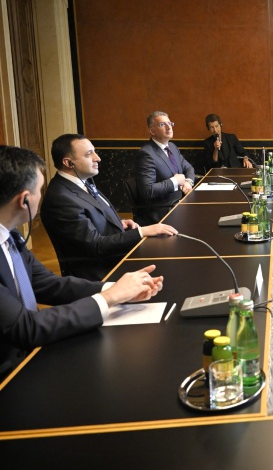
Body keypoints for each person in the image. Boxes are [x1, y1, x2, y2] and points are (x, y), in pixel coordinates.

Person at [0, 145, 163, 379]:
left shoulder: (11, 236)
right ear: (24, 200)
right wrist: (109, 298)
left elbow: (47, 284)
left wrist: (116, 289)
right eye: (40, 190)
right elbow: (26, 328)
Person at [40, 134, 178, 281]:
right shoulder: (61, 198)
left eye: (95, 151)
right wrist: (141, 231)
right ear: (69, 163)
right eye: (89, 154)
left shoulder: (82, 181)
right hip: (99, 274)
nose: (97, 158)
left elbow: (92, 214)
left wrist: (119, 222)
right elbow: (94, 246)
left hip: (115, 257)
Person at [134, 111, 196, 225]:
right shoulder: (146, 154)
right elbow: (147, 191)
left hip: (180, 202)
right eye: (162, 125)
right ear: (151, 131)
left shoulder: (172, 147)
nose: (169, 127)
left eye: (170, 123)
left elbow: (188, 168)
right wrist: (175, 182)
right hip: (163, 210)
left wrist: (188, 181)